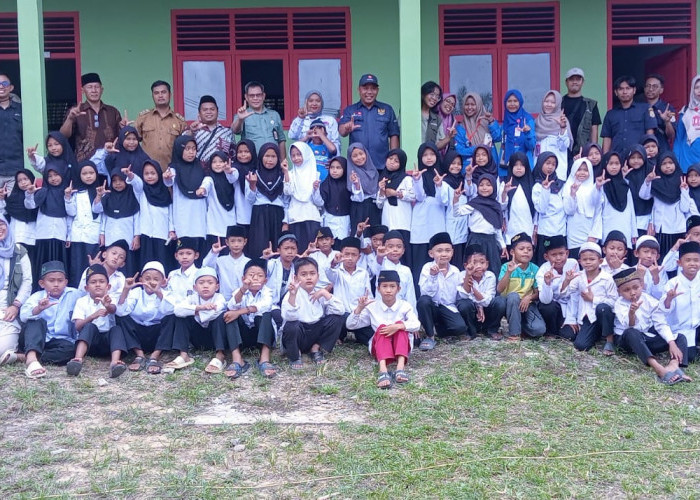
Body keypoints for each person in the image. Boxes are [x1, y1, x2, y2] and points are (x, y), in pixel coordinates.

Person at [612, 268, 690, 384]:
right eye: (626, 290)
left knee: (680, 337)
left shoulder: (648, 299)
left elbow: (660, 322)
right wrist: (631, 313)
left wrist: (671, 343)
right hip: (628, 341)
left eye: (635, 287)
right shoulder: (620, 304)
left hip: (645, 338)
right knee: (631, 332)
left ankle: (674, 365)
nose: (632, 292)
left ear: (641, 285)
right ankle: (659, 368)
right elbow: (630, 325)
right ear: (619, 292)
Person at [347, 270, 420, 388]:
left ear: (398, 289)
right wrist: (360, 308)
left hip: (400, 346)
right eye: (384, 286)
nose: (388, 290)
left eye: (392, 286)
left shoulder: (405, 305)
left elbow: (416, 324)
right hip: (380, 347)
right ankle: (383, 370)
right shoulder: (372, 307)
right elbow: (350, 325)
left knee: (400, 326)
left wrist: (398, 326)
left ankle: (400, 368)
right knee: (382, 327)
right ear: (378, 289)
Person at [19, 261, 81, 378]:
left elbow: (89, 298)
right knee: (35, 321)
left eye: (60, 280)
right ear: (42, 283)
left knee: (71, 350)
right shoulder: (37, 297)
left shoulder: (75, 294)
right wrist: (38, 309)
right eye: (51, 281)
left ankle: (26, 357)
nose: (56, 284)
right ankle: (31, 359)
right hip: (36, 338)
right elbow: (23, 316)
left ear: (66, 282)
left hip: (59, 341)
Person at [281, 257, 345, 368]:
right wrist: (292, 295)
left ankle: (315, 348)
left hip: (315, 332)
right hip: (299, 334)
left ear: (318, 276)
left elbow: (340, 310)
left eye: (312, 273)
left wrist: (325, 293)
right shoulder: (291, 293)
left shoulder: (320, 292)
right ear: (296, 278)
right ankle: (295, 355)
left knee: (336, 319)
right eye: (304, 274)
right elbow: (289, 317)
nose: (309, 277)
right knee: (292, 326)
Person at [68, 264, 128, 378]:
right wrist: (92, 316)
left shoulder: (111, 299)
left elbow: (113, 309)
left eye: (101, 281)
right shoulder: (81, 301)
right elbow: (78, 326)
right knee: (90, 326)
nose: (98, 284)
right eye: (93, 282)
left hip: (107, 344)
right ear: (86, 288)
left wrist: (107, 306)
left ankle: (114, 362)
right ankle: (77, 359)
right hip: (90, 344)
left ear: (108, 286)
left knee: (116, 329)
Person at [116, 261, 174, 374]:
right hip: (138, 335)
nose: (151, 282)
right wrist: (126, 289)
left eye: (156, 279)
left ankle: (154, 356)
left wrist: (158, 293)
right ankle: (139, 355)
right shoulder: (136, 292)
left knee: (171, 317)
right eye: (147, 278)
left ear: (163, 282)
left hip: (157, 335)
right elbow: (121, 312)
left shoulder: (166, 294)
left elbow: (170, 310)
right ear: (141, 280)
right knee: (122, 318)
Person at [224, 259, 277, 379]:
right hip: (244, 337)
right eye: (251, 275)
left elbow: (264, 306)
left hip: (262, 335)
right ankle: (237, 359)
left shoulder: (268, 292)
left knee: (265, 314)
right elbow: (231, 306)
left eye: (260, 276)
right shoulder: (239, 291)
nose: (255, 278)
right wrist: (243, 289)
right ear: (243, 278)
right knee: (230, 315)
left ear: (265, 280)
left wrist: (239, 312)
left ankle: (264, 359)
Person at [559, 242, 617, 354]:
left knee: (603, 308)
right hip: (587, 316)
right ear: (580, 261)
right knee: (580, 345)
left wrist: (593, 299)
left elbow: (614, 301)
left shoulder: (607, 278)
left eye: (592, 259)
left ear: (600, 261)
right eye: (585, 259)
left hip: (602, 315)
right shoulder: (579, 276)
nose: (588, 262)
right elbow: (564, 294)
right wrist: (567, 280)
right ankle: (596, 334)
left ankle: (609, 340)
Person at [171, 266, 228, 374]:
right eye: (201, 283)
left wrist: (193, 311)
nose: (205, 286)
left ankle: (220, 355)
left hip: (213, 338)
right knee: (181, 317)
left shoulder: (219, 297)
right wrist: (200, 307)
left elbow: (213, 313)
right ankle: (184, 355)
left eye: (210, 283)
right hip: (197, 338)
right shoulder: (192, 298)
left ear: (217, 286)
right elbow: (177, 310)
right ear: (195, 287)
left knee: (220, 317)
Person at [416, 232, 467, 350]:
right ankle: (430, 336)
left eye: (447, 250)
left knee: (459, 328)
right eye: (439, 251)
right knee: (423, 301)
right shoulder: (427, 268)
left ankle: (437, 328)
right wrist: (433, 276)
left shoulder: (455, 271)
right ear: (431, 253)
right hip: (432, 307)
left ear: (452, 252)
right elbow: (426, 294)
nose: (444, 254)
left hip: (448, 306)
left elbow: (459, 296)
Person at [339, 73, 400, 168]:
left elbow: (394, 135)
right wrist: (346, 128)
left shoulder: (387, 109)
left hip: (382, 165)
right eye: (365, 88)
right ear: (359, 89)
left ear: (377, 90)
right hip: (358, 166)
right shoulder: (350, 110)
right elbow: (342, 132)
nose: (369, 92)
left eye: (373, 89)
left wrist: (393, 158)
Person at [60, 73, 124, 161]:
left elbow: (122, 138)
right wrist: (70, 119)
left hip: (111, 161)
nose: (94, 90)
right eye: (90, 87)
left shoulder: (112, 111)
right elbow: (63, 136)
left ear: (102, 90)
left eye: (97, 87)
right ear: (82, 90)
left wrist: (124, 128)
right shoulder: (76, 111)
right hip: (85, 163)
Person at [494, 233, 546, 341]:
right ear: (512, 252)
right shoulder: (506, 266)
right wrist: (508, 273)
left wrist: (529, 297)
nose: (526, 251)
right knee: (513, 296)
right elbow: (499, 289)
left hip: (527, 304)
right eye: (521, 249)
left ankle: (521, 327)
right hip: (510, 304)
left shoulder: (535, 269)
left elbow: (537, 293)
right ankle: (514, 334)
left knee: (539, 330)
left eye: (529, 249)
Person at [163, 136, 208, 260]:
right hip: (182, 217)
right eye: (187, 149)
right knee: (184, 253)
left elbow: (207, 182)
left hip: (199, 217)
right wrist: (166, 177)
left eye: (193, 149)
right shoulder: (174, 167)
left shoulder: (201, 167)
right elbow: (169, 180)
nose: (191, 152)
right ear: (179, 149)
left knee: (198, 253)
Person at [639, 152, 689, 257]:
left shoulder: (681, 182)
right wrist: (648, 181)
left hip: (677, 229)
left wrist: (684, 191)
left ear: (675, 164)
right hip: (660, 228)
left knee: (676, 258)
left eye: (670, 163)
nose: (668, 166)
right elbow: (644, 196)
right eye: (664, 163)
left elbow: (685, 208)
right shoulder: (656, 182)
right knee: (660, 258)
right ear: (658, 166)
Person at [245, 143, 287, 259]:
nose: (270, 160)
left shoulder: (282, 175)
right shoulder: (253, 174)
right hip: (260, 215)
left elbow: (286, 200)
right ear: (261, 157)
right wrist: (252, 185)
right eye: (267, 156)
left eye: (273, 156)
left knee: (277, 248)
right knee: (259, 247)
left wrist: (286, 221)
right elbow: (250, 200)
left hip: (278, 215)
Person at [660, 241, 700, 363]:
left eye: (696, 260)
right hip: (680, 329)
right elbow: (664, 311)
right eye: (688, 260)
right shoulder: (672, 283)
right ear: (679, 263)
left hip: (698, 326)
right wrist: (669, 298)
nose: (692, 263)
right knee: (690, 356)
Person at [0, 215, 32, 367]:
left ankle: (18, 356)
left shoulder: (19, 251)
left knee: (2, 349)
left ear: (7, 226)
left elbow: (27, 281)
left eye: (2, 224)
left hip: (8, 312)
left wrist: (16, 305)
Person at [134, 80, 187, 169]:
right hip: (147, 171)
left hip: (171, 171)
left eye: (163, 92)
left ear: (170, 95)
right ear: (153, 96)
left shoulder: (179, 121)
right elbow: (133, 141)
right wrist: (124, 129)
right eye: (156, 93)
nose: (160, 95)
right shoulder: (143, 118)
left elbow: (184, 147)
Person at [535, 235, 580, 340]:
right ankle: (550, 331)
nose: (558, 258)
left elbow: (575, 294)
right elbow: (545, 300)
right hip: (552, 307)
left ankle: (562, 326)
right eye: (553, 255)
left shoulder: (573, 264)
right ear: (546, 257)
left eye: (561, 254)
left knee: (569, 336)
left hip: (569, 307)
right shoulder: (542, 271)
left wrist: (571, 319)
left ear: (567, 253)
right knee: (547, 307)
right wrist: (547, 284)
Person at [456, 244, 503, 340]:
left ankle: (491, 330)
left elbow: (488, 301)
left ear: (487, 264)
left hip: (486, 311)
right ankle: (470, 331)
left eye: (482, 262)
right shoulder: (462, 275)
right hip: (472, 312)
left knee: (500, 301)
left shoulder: (490, 276)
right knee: (464, 304)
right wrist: (468, 275)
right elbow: (464, 296)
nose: (478, 266)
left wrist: (473, 290)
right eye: (474, 263)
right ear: (466, 265)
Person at [601, 75, 655, 156]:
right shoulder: (610, 114)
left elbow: (650, 134)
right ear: (616, 92)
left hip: (639, 157)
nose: (625, 92)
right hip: (617, 159)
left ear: (634, 90)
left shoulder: (645, 109)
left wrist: (648, 154)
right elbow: (607, 138)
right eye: (621, 89)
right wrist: (605, 158)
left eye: (628, 88)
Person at [232, 82, 286, 159]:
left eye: (258, 95)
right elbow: (235, 131)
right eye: (252, 96)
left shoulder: (274, 115)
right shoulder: (242, 115)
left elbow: (281, 140)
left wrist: (283, 161)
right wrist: (240, 119)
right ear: (246, 97)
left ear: (263, 96)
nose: (255, 98)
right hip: (252, 162)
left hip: (272, 161)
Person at [284, 142, 322, 251]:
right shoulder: (290, 174)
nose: (296, 158)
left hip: (312, 217)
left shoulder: (315, 174)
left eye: (299, 154)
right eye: (293, 155)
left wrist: (315, 189)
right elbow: (288, 191)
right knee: (298, 251)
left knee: (313, 251)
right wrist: (286, 172)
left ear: (305, 154)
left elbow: (319, 202)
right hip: (295, 218)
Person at [562, 158, 603, 258]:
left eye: (585, 170)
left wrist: (594, 235)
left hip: (590, 234)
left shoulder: (594, 188)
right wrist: (572, 193)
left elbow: (598, 214)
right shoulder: (568, 187)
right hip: (573, 235)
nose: (582, 173)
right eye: (579, 169)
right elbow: (569, 211)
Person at [561, 68, 601, 168]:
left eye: (578, 79)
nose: (575, 82)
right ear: (566, 82)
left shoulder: (591, 104)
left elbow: (594, 130)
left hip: (583, 152)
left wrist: (592, 152)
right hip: (562, 151)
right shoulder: (558, 103)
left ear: (582, 82)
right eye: (571, 79)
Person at [198, 151, 238, 250]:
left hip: (230, 221)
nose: (218, 164)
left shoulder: (230, 176)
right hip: (214, 225)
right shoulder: (210, 178)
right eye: (214, 162)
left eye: (221, 161)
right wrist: (202, 189)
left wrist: (229, 171)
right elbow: (206, 184)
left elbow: (233, 176)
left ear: (226, 162)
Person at [532, 152, 565, 265]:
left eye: (553, 164)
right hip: (545, 231)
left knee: (560, 263)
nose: (550, 167)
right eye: (547, 163)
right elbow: (541, 208)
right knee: (545, 263)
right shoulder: (537, 186)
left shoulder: (561, 184)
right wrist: (545, 190)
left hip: (560, 231)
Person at [202, 225, 250, 301]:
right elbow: (206, 266)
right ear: (227, 242)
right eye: (232, 241)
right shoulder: (220, 261)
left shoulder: (249, 262)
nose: (236, 245)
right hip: (224, 300)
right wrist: (214, 253)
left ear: (245, 242)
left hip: (244, 300)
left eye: (239, 241)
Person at [186, 95, 235, 168]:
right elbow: (182, 148)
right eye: (205, 110)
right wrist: (192, 131)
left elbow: (233, 155)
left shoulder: (227, 132)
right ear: (199, 113)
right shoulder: (192, 131)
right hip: (198, 171)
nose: (209, 112)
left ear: (217, 111)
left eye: (212, 109)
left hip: (222, 172)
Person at [288, 90, 341, 157]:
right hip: (305, 160)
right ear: (306, 103)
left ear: (322, 103)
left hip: (326, 160)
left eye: (318, 101)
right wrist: (301, 118)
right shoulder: (300, 120)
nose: (314, 103)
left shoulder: (330, 120)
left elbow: (336, 143)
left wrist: (335, 160)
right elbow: (292, 136)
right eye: (311, 101)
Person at [454, 92, 500, 167]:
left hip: (490, 167)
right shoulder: (460, 128)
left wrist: (492, 122)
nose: (469, 107)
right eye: (467, 104)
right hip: (470, 168)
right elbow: (459, 150)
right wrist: (479, 148)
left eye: (473, 104)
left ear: (478, 105)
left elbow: (498, 138)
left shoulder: (487, 123)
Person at [535, 90, 572, 180]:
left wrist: (562, 128)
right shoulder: (537, 121)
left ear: (558, 104)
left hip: (557, 173)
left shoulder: (562, 121)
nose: (549, 104)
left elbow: (564, 146)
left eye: (553, 102)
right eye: (546, 101)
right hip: (539, 173)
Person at [498, 89, 536, 175]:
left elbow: (531, 145)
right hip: (506, 165)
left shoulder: (527, 119)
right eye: (509, 101)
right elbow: (498, 138)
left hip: (523, 165)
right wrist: (492, 123)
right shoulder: (506, 120)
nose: (512, 104)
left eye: (515, 101)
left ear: (520, 102)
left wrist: (528, 133)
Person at [317, 156, 351, 243]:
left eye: (338, 168)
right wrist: (315, 190)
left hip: (345, 220)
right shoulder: (325, 184)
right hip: (329, 218)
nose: (334, 170)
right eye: (332, 167)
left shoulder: (349, 184)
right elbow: (320, 202)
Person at [640, 74, 676, 153]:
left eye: (655, 86)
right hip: (641, 151)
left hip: (662, 150)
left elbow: (671, 136)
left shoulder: (668, 108)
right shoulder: (638, 107)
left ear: (661, 90)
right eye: (648, 86)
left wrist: (667, 122)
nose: (650, 89)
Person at [0, 73, 23, 189]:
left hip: (16, 169)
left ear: (11, 87)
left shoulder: (21, 109)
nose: (1, 86)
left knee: (14, 200)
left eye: (4, 83)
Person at [674, 74, 700, 171]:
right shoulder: (685, 111)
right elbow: (679, 138)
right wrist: (676, 160)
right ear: (692, 90)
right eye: (696, 87)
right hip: (687, 160)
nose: (699, 90)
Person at [419, 81, 451, 151]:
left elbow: (437, 145)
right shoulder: (411, 113)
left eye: (437, 96)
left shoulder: (437, 119)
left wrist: (449, 137)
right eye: (432, 94)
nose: (434, 98)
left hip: (428, 156)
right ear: (423, 94)